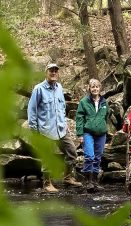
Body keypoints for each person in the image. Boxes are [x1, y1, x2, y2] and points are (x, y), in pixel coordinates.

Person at [27, 62, 82, 192]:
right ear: (46, 72)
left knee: (72, 152)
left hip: (61, 129)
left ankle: (67, 177)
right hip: (45, 130)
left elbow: (62, 107)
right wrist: (35, 131)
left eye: (56, 71)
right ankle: (47, 184)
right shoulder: (38, 89)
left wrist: (65, 123)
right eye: (51, 71)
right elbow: (32, 110)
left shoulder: (59, 88)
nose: (53, 73)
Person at [75, 79, 109, 192]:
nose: (95, 89)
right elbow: (79, 119)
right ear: (89, 88)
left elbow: (106, 117)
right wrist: (80, 134)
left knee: (98, 158)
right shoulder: (84, 102)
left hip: (101, 134)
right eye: (92, 87)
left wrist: (104, 127)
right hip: (87, 132)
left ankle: (95, 181)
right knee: (89, 156)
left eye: (97, 87)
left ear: (100, 88)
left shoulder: (104, 102)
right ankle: (87, 181)